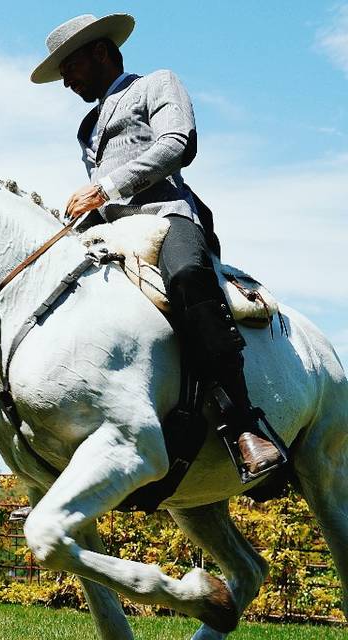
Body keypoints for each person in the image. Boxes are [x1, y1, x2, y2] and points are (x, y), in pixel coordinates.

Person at [30, 13, 284, 477]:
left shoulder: (157, 83)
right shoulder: (87, 125)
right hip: (109, 231)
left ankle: (245, 424)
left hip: (166, 217)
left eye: (69, 68)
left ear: (100, 52)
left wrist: (105, 189)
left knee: (188, 277)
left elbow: (177, 143)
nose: (66, 82)